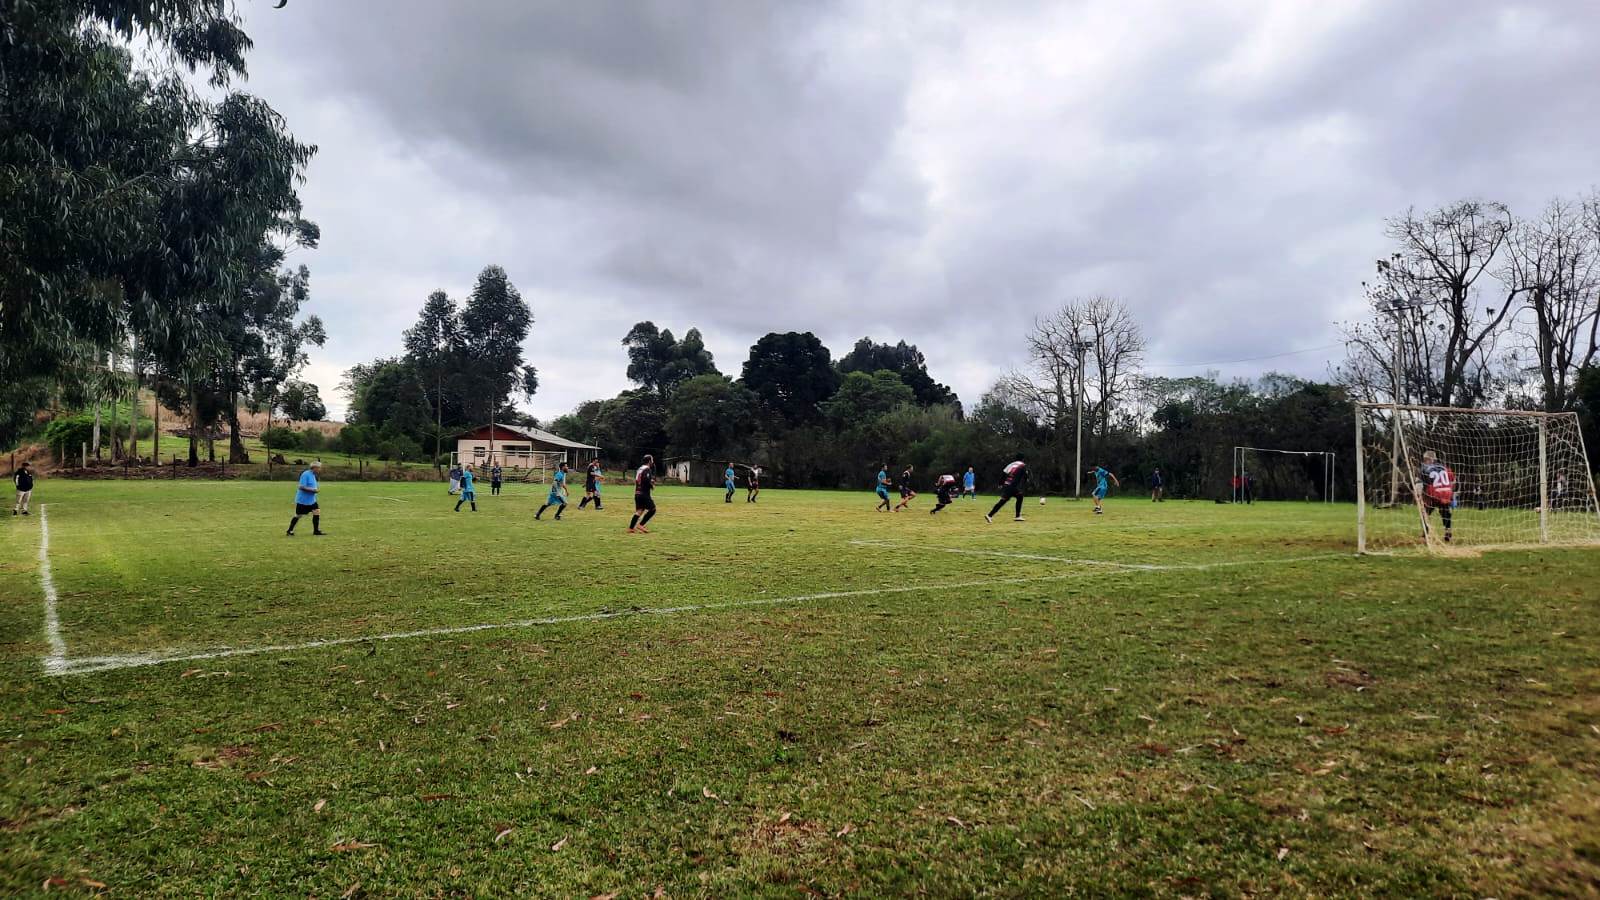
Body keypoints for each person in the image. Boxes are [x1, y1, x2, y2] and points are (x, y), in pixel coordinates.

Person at [1419, 450, 1454, 543]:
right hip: (1446, 493)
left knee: (1425, 513)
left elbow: (1425, 483)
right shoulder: (1445, 468)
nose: (1425, 461)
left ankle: (1425, 534)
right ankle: (1448, 531)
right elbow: (1451, 479)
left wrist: (1422, 495)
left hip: (1434, 494)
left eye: (1425, 459)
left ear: (1429, 459)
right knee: (1446, 513)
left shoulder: (1425, 468)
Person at [287, 460, 325, 536]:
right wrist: (313, 490)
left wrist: (315, 489)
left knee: (317, 511)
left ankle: (316, 531)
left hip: (311, 500)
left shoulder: (313, 475)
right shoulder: (306, 474)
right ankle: (289, 530)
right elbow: (301, 487)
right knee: (298, 515)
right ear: (314, 467)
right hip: (303, 500)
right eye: (319, 468)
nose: (320, 469)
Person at [985, 457, 1028, 523]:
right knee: (1005, 500)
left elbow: (1004, 474)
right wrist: (1025, 482)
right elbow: (1025, 476)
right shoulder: (1022, 465)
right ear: (1023, 459)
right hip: (1012, 486)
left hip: (1007, 485)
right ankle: (989, 515)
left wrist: (1000, 483)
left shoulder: (1011, 464)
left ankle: (1017, 516)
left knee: (1018, 497)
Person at [628, 454, 657, 533]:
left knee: (640, 510)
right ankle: (641, 525)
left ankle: (631, 528)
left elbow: (640, 479)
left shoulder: (640, 468)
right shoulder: (647, 469)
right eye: (652, 460)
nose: (653, 462)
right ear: (649, 461)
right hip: (644, 493)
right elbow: (645, 480)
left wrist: (650, 480)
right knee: (653, 509)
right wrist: (651, 485)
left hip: (637, 492)